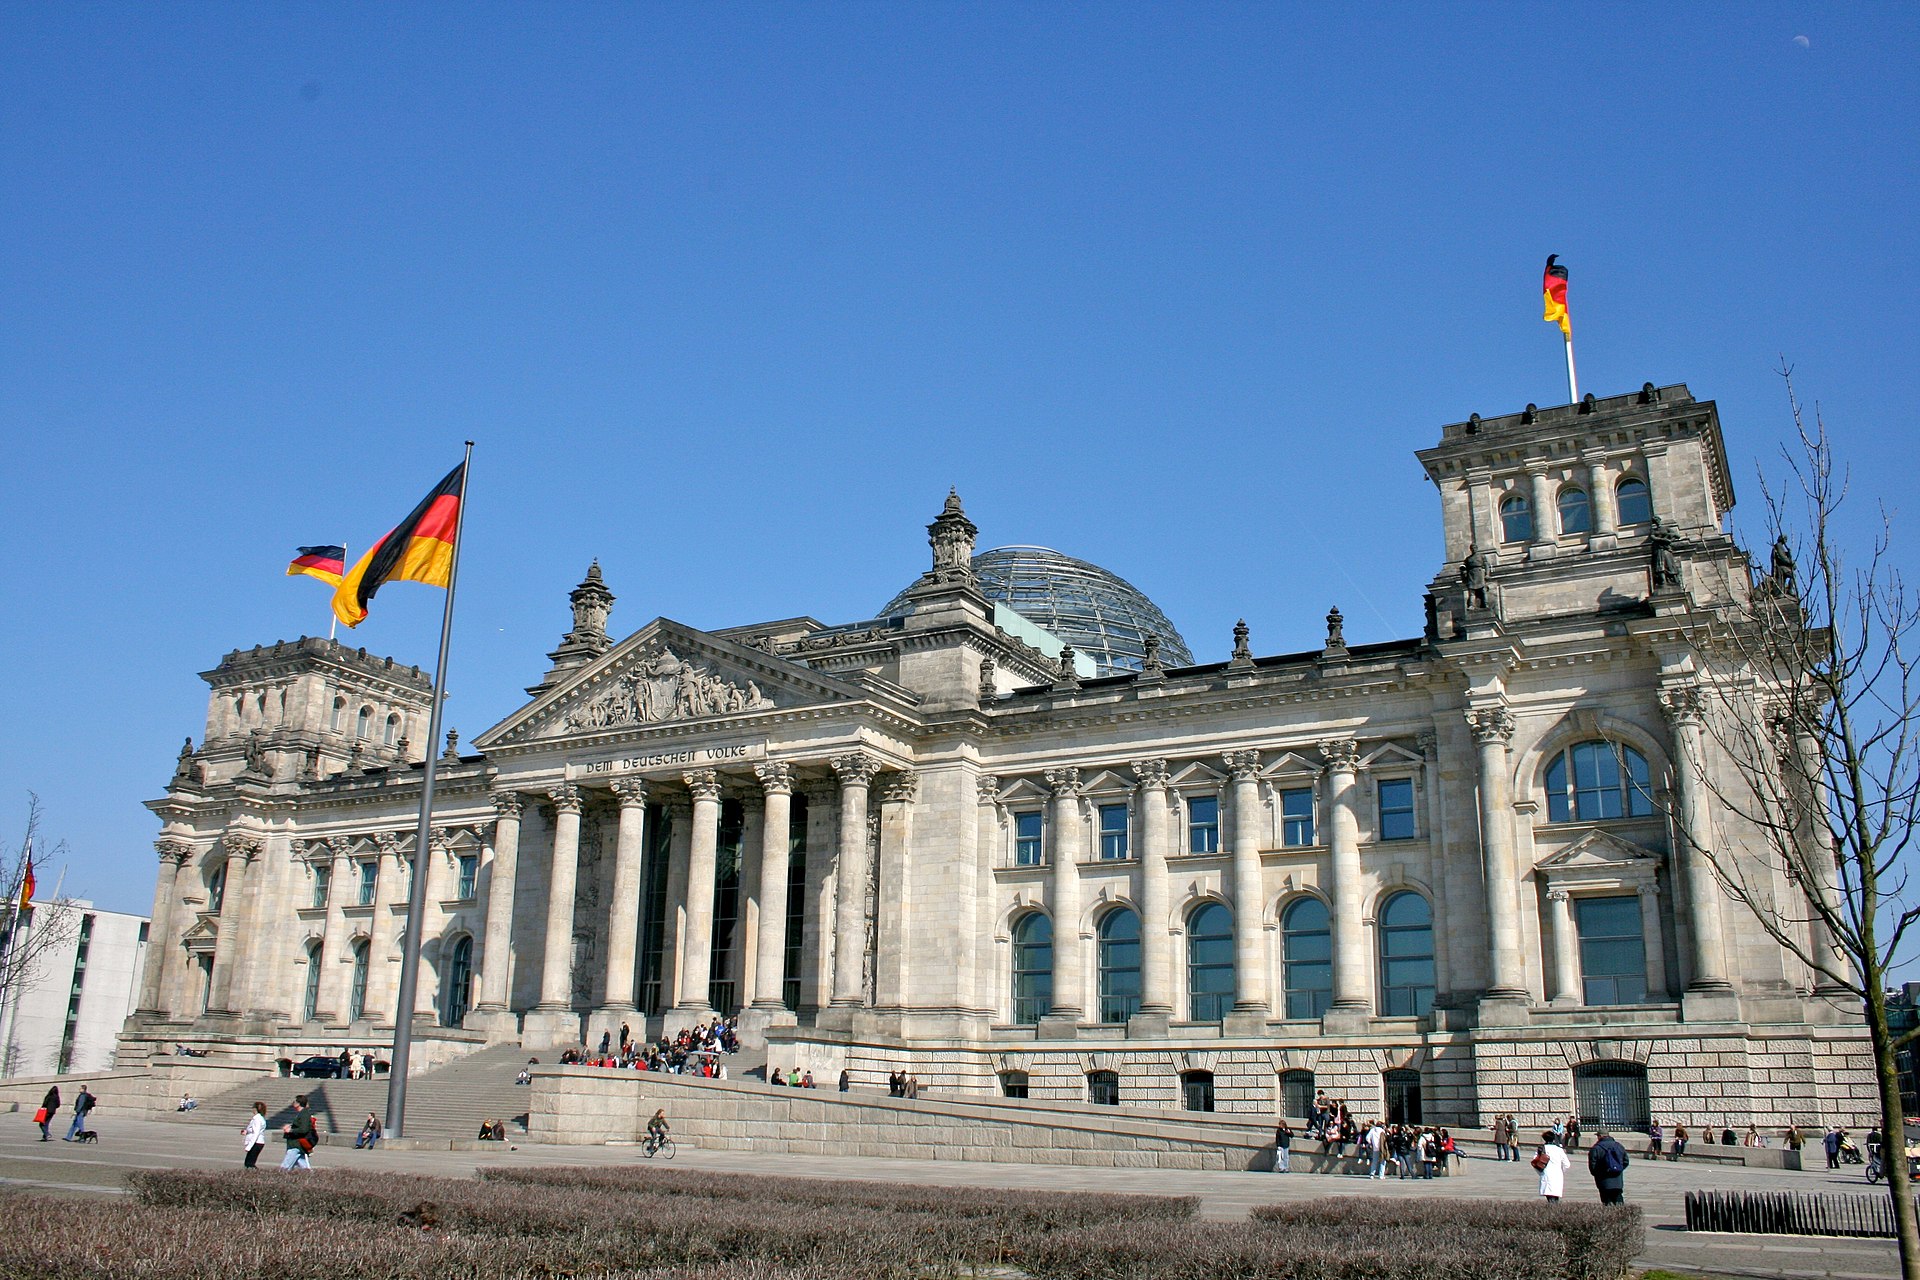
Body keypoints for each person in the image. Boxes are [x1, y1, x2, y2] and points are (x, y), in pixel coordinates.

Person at [1587, 1128, 1630, 1205]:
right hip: (1617, 1180)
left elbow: (1592, 1165)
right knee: (1619, 1200)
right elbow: (1626, 1161)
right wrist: (1618, 1169)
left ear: (1600, 1136)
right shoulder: (1618, 1146)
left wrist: (1597, 1174)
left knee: (1607, 1201)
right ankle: (1621, 1215)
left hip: (1603, 1180)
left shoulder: (1596, 1148)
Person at [280, 1095, 317, 1171]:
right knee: (304, 1167)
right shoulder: (302, 1113)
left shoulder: (304, 1114)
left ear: (298, 1103)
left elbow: (304, 1129)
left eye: (294, 1101)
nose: (293, 1103)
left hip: (296, 1144)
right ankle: (313, 1178)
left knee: (285, 1168)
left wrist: (291, 1130)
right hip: (297, 1145)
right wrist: (290, 1126)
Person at [1535, 1130, 1571, 1203]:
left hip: (1546, 1174)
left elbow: (1535, 1163)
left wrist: (1540, 1172)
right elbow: (1567, 1164)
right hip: (1557, 1175)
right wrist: (1561, 1171)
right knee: (1555, 1196)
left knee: (1549, 1197)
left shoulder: (1541, 1149)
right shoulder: (1559, 1150)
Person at [243, 1102, 268, 1168]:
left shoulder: (257, 1119)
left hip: (256, 1143)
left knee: (249, 1164)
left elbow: (256, 1133)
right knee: (249, 1163)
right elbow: (254, 1130)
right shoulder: (259, 1118)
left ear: (255, 1109)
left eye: (253, 1107)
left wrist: (249, 1146)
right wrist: (247, 1131)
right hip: (257, 1142)